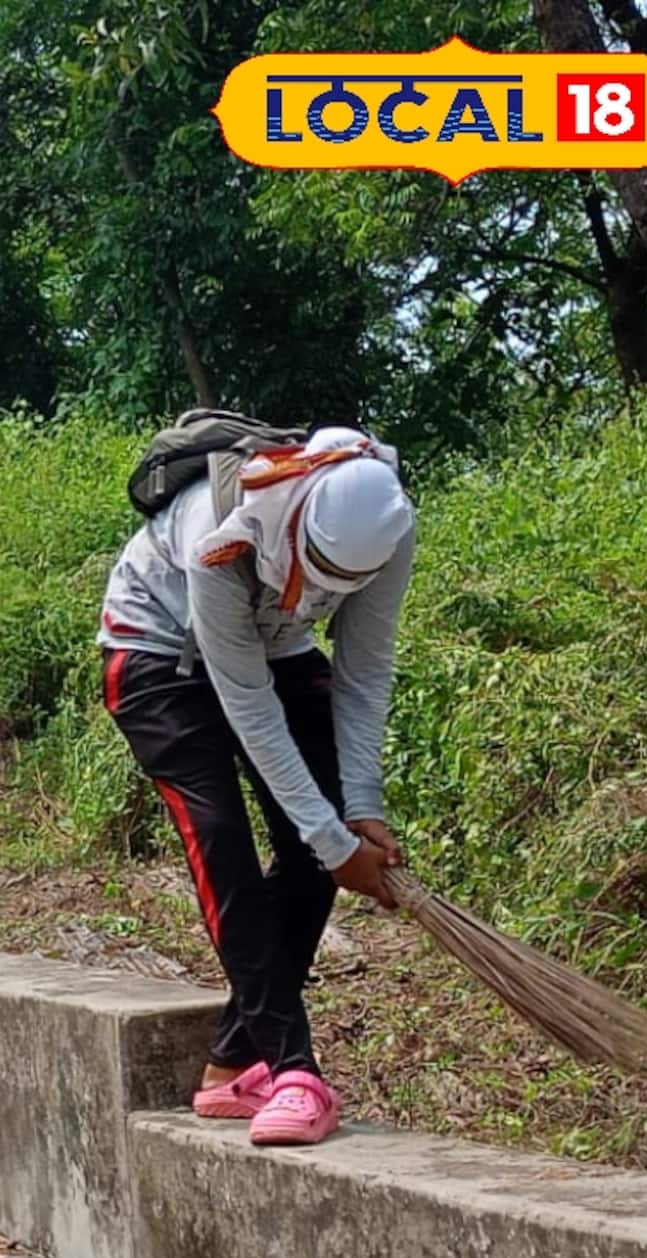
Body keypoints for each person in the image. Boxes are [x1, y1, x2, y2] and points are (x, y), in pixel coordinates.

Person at [98, 426, 415, 1149]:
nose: (326, 592)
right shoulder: (223, 532)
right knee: (221, 840)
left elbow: (365, 672)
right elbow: (249, 705)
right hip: (158, 655)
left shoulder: (390, 524)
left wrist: (358, 810)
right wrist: (334, 843)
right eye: (317, 570)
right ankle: (291, 1067)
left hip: (275, 648)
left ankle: (235, 1064)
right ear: (294, 527)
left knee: (320, 837)